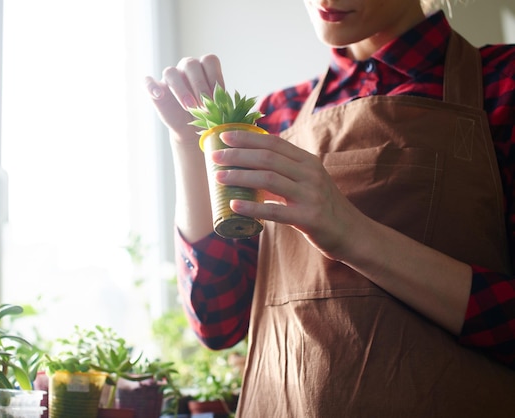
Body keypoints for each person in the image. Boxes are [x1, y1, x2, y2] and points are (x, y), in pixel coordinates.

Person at [145, 0, 515, 416]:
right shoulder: (276, 117)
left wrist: (353, 234)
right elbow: (217, 320)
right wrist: (187, 143)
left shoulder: (503, 85)